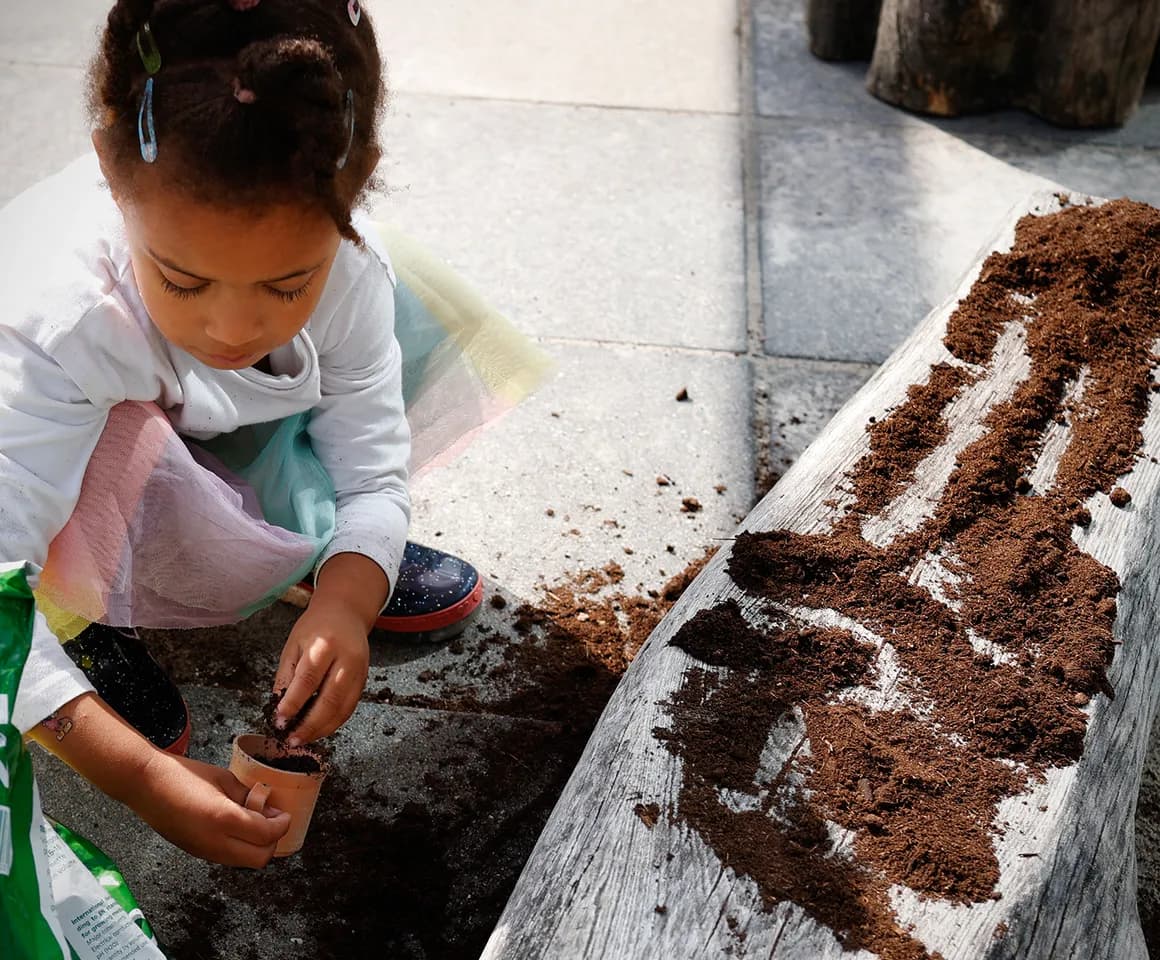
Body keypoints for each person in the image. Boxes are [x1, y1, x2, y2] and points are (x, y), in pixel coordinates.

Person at [3, 0, 533, 868]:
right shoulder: (52, 319)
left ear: (356, 182)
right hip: (64, 456)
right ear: (108, 166)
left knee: (400, 309)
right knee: (106, 454)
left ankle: (298, 556)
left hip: (201, 424)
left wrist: (348, 594)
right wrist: (133, 772)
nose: (231, 325)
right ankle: (87, 621)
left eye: (288, 283)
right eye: (183, 279)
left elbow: (370, 456)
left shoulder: (350, 266)